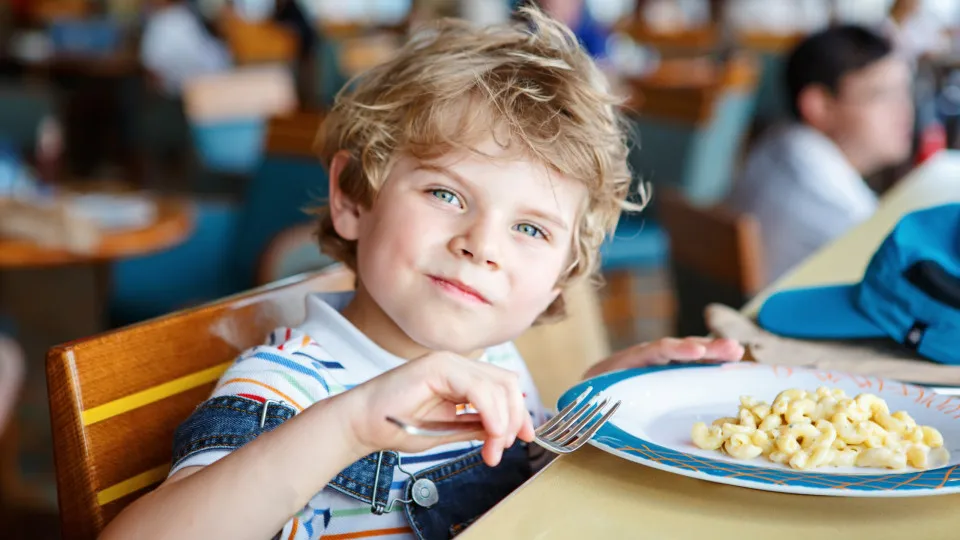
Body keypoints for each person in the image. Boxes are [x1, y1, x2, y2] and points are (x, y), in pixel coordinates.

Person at [100, 8, 743, 540]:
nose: (480, 246)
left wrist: (577, 419)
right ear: (353, 198)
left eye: (530, 229)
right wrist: (351, 424)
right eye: (447, 195)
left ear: (558, 281)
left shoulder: (496, 355)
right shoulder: (287, 386)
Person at [726, 25, 914, 285]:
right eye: (882, 95)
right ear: (819, 106)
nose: (904, 110)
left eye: (904, 91)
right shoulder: (843, 216)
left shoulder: (773, 147)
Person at [139, 0, 233, 97]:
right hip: (199, 90)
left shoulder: (178, 17)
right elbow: (152, 73)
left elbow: (152, 73)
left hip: (209, 87)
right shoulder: (170, 20)